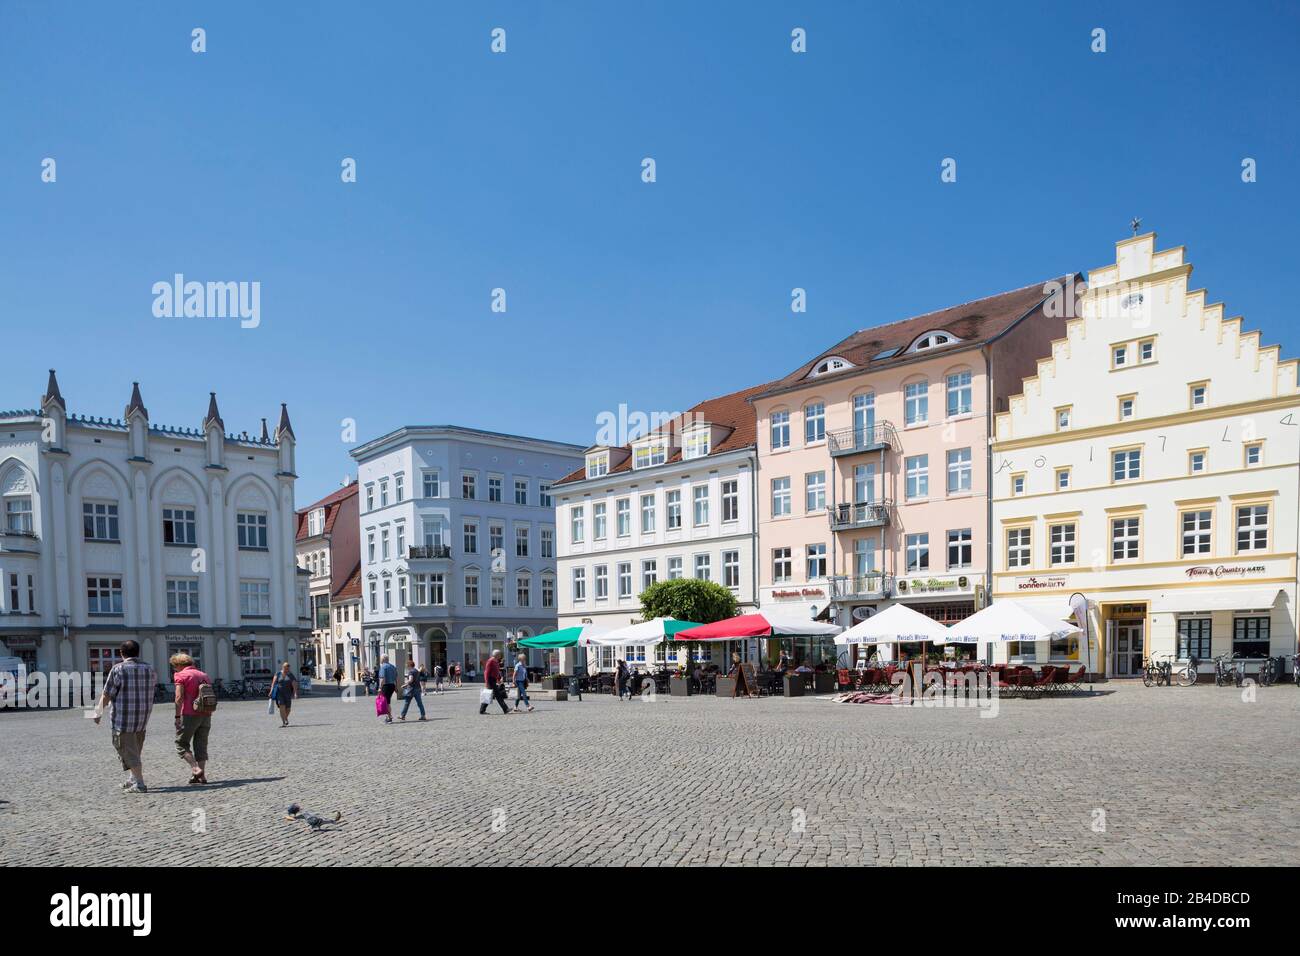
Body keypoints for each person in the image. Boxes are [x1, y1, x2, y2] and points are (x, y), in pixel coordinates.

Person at [92, 640, 156, 794]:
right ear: (138, 652)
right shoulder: (149, 669)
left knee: (127, 750)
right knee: (135, 750)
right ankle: (133, 778)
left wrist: (98, 712)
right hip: (142, 718)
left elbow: (107, 693)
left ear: (121, 653)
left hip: (123, 719)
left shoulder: (118, 669)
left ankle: (140, 784)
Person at [170, 652, 212, 784]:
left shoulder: (181, 675)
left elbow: (178, 698)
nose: (174, 669)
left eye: (174, 666)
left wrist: (177, 716)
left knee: (181, 744)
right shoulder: (204, 675)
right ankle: (202, 776)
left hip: (189, 714)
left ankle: (195, 769)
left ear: (178, 665)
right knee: (201, 744)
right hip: (205, 713)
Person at [479, 649, 510, 715]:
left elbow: (497, 671)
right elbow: (486, 672)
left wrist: (498, 679)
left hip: (493, 680)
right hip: (490, 680)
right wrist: (487, 682)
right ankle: (505, 709)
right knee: (497, 695)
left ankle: (482, 710)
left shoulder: (496, 661)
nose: (500, 655)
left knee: (489, 695)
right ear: (497, 655)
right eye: (500, 654)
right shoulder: (490, 661)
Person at [270, 661, 298, 727]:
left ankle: (285, 718)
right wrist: (271, 691)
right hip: (279, 693)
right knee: (281, 707)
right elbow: (273, 683)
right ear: (283, 667)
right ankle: (284, 722)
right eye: (286, 668)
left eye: (288, 668)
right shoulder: (278, 673)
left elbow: (294, 684)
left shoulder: (290, 675)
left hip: (288, 693)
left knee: (288, 709)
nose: (287, 670)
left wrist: (295, 693)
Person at [377, 655, 398, 723]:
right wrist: (396, 687)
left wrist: (380, 687)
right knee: (387, 702)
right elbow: (396, 678)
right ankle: (389, 716)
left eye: (380, 659)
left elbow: (382, 678)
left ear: (383, 659)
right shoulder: (393, 666)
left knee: (386, 702)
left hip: (386, 686)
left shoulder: (383, 667)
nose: (380, 660)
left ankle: (389, 717)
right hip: (392, 686)